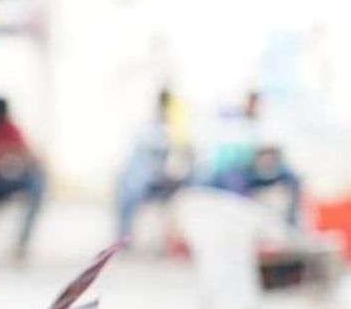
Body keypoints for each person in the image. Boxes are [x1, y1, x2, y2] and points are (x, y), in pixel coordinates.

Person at [206, 89, 303, 227]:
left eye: (257, 104)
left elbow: (275, 147)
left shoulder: (267, 122)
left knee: (293, 178)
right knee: (234, 180)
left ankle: (290, 223)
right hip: (245, 169)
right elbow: (233, 155)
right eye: (251, 103)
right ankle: (241, 224)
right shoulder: (235, 124)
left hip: (267, 164)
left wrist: (269, 155)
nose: (254, 107)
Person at [115, 86, 193, 245]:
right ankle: (124, 240)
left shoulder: (170, 128)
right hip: (143, 181)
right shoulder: (151, 128)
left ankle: (128, 240)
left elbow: (179, 155)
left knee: (133, 196)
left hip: (155, 182)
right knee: (127, 197)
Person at [0, 96, 46, 254]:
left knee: (37, 182)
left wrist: (13, 155)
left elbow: (31, 155)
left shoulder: (9, 127)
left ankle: (22, 242)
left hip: (3, 179)